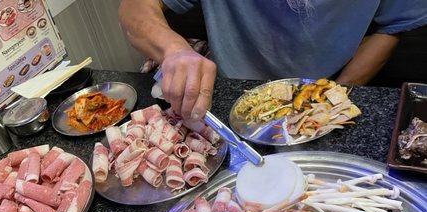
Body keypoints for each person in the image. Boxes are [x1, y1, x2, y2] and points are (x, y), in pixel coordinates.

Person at [119, 0, 427, 120]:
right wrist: (174, 49)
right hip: (226, 93)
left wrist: (332, 94)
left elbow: (393, 25)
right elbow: (134, 8)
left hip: (327, 88)